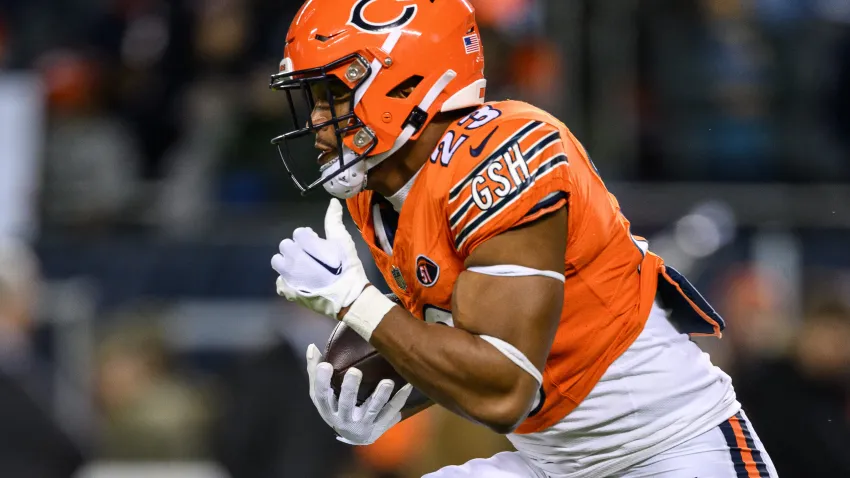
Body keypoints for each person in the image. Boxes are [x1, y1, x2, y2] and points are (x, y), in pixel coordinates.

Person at [268, 1, 778, 476]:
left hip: (669, 448)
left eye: (332, 93)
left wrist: (358, 306)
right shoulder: (376, 190)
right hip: (552, 462)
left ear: (403, 84)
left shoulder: (507, 154)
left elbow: (507, 388)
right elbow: (460, 333)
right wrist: (381, 396)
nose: (316, 119)